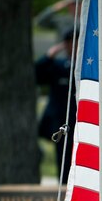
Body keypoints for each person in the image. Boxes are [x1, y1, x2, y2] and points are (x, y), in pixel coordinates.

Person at [36, 26, 78, 181]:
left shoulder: (89, 66)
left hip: (80, 119)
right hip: (61, 121)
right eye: (69, 42)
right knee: (63, 158)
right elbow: (37, 75)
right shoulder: (59, 66)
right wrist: (49, 55)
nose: (73, 46)